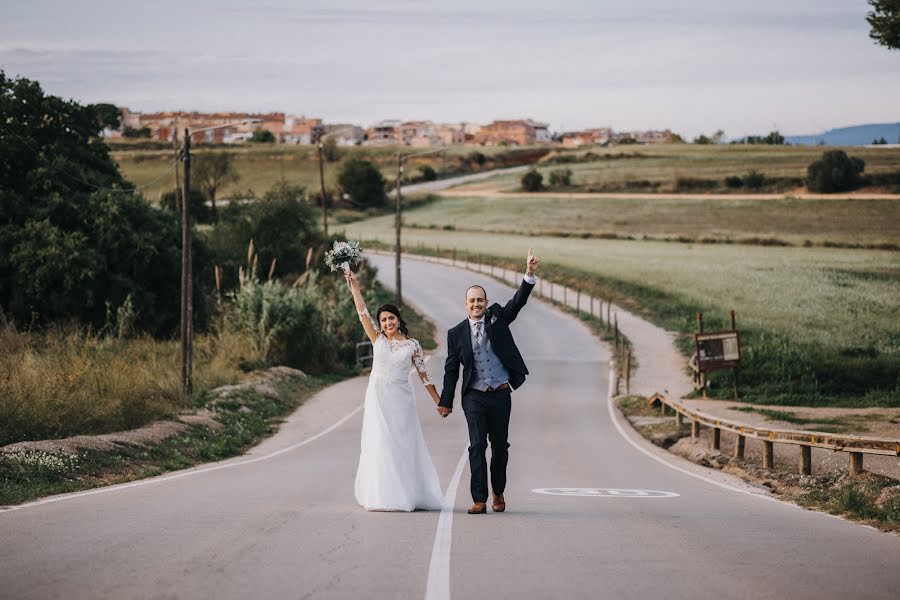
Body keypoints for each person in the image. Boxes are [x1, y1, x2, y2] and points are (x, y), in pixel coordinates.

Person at [438, 247, 539, 514]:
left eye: (480, 300)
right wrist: (445, 401)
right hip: (474, 395)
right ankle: (479, 499)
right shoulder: (456, 334)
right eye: (471, 301)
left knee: (500, 447)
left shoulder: (497, 317)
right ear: (465, 304)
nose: (476, 304)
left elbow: (517, 302)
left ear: (486, 301)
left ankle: (499, 491)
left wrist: (528, 274)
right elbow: (451, 370)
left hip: (501, 393)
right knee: (477, 446)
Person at [344, 269, 444, 512]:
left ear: (398, 319)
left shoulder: (413, 346)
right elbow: (362, 313)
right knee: (380, 442)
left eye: (391, 318)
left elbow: (425, 377)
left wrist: (440, 402)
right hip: (378, 398)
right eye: (384, 320)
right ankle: (381, 496)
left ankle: (408, 493)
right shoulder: (377, 339)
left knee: (403, 444)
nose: (387, 323)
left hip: (402, 400)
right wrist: (355, 288)